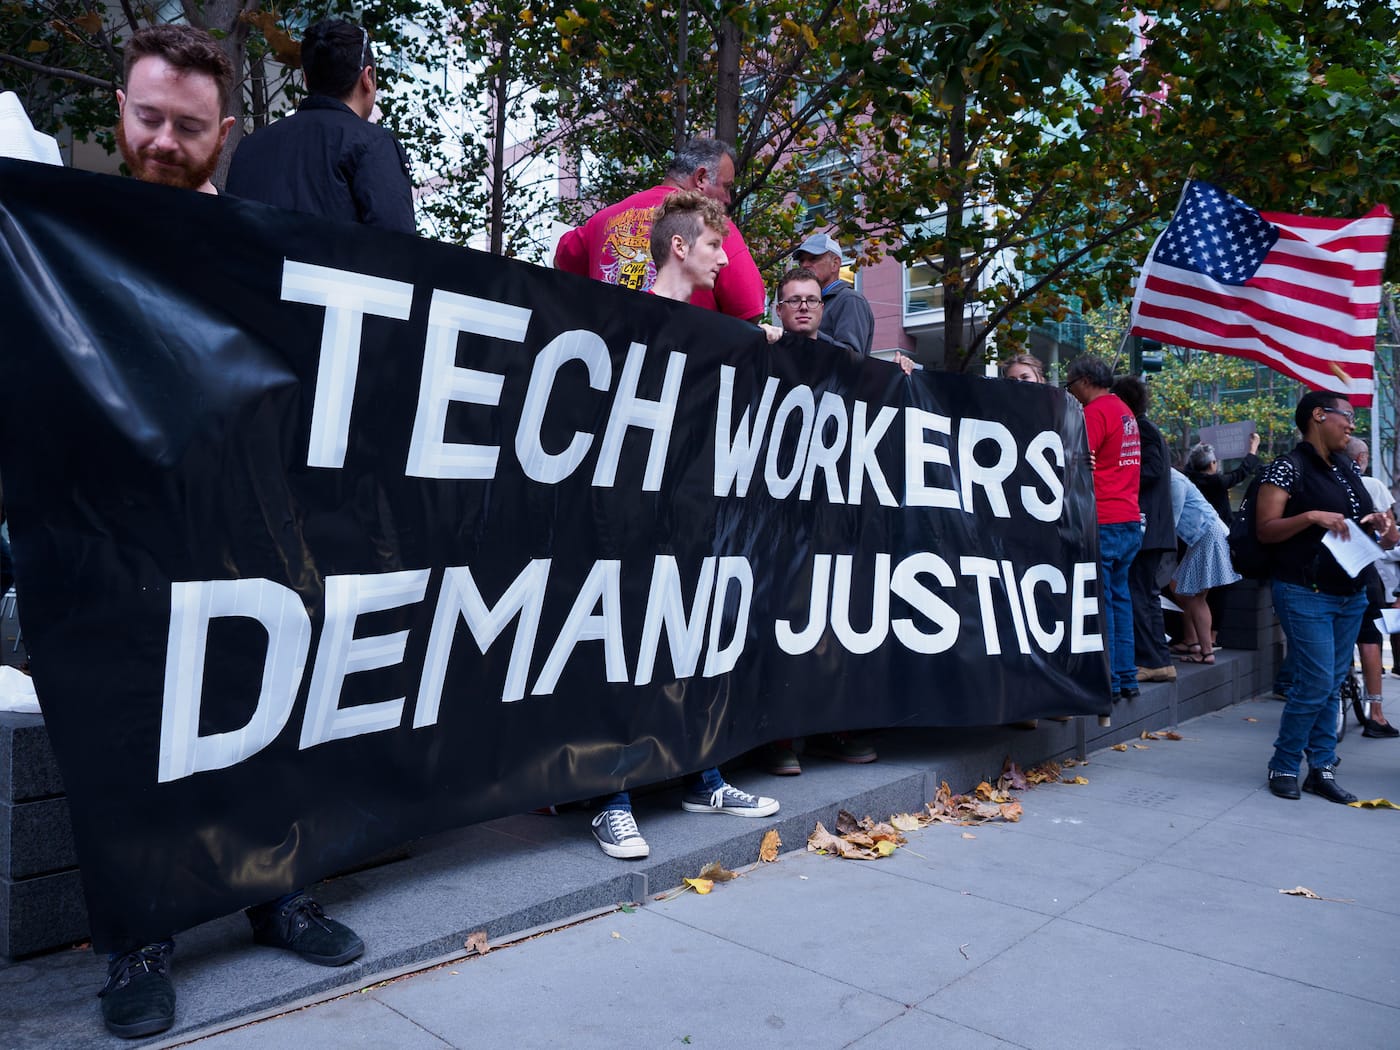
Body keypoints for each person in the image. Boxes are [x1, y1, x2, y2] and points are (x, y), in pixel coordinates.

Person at [100, 26, 364, 1040]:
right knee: (138, 725)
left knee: (269, 711)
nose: (164, 141)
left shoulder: (266, 245)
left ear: (227, 132)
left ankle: (279, 894)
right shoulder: (60, 232)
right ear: (120, 108)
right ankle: (142, 937)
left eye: (189, 127)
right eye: (148, 117)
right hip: (124, 531)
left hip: (254, 522)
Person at [585, 191, 779, 859]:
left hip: (691, 515)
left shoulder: (711, 331)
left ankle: (705, 776)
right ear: (679, 247)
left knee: (693, 638)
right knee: (623, 649)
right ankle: (611, 799)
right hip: (628, 518)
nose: (726, 259)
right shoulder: (623, 318)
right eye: (714, 246)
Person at [1257, 392, 1397, 803]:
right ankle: (1284, 763)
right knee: (1316, 682)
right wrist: (1311, 517)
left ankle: (1321, 767)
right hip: (1305, 592)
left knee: (1332, 683)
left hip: (1351, 594)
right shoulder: (1287, 468)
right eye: (1348, 416)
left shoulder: (1347, 471)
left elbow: (1361, 529)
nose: (1352, 425)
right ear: (1319, 415)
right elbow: (1266, 529)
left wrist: (1381, 526)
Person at [226, 19, 415, 233]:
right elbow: (398, 251)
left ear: (306, 79)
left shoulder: (249, 147)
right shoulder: (374, 145)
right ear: (367, 77)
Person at [554, 137, 765, 321]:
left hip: (609, 355)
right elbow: (749, 309)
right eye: (726, 186)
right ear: (701, 178)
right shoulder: (715, 227)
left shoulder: (602, 220)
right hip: (679, 357)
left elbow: (561, 260)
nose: (727, 198)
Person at [1065, 356, 1141, 701]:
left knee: (1105, 603)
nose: (1072, 393)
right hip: (1129, 518)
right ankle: (1127, 676)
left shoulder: (1095, 413)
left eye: (1071, 385)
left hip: (1105, 518)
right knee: (1122, 601)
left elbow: (1078, 460)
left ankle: (1107, 678)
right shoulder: (1125, 413)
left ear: (1083, 380)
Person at [1111, 377, 1176, 684]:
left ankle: (1153, 660)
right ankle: (1157, 660)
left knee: (1140, 595)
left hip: (1147, 527)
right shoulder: (1144, 428)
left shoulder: (1142, 429)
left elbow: (1151, 470)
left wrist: (1117, 469)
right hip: (1151, 527)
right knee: (1144, 594)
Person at [1344, 437, 1398, 737]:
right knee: (1369, 638)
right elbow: (1391, 537)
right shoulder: (1373, 485)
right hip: (1364, 571)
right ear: (1362, 457)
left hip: (1321, 573)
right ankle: (1375, 713)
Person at [1165, 467, 1240, 664]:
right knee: (1181, 589)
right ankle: (1197, 644)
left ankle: (1205, 650)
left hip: (1205, 534)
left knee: (1196, 597)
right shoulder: (1173, 478)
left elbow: (1172, 517)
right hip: (1202, 535)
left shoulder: (1174, 480)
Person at [792, 233, 875, 355]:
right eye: (801, 261)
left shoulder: (850, 300)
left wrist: (812, 334)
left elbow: (852, 357)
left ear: (835, 264)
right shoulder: (807, 302)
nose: (804, 265)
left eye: (813, 258)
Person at [1186, 436, 1260, 523]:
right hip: (1221, 525)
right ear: (1212, 464)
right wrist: (1253, 449)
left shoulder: (1190, 478)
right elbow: (1240, 473)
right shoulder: (1216, 481)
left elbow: (1188, 467)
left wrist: (1197, 450)